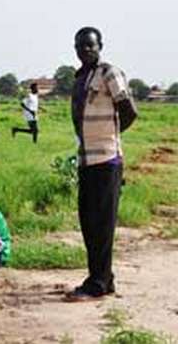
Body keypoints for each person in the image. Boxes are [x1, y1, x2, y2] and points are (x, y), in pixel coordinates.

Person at [66, 27, 137, 302]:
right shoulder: (81, 78)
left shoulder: (110, 72)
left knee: (102, 224)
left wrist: (111, 138)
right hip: (86, 159)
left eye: (89, 46)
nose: (85, 50)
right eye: (80, 46)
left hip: (106, 160)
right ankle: (102, 278)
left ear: (100, 46)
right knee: (89, 222)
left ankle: (97, 284)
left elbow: (129, 111)